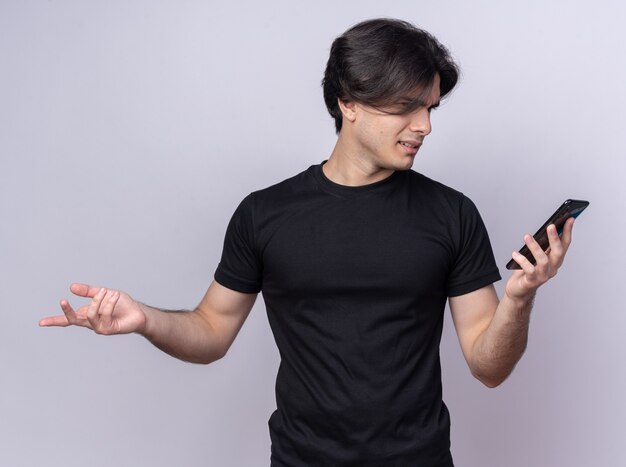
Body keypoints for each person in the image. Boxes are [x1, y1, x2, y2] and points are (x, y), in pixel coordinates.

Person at [40, 18, 575, 467]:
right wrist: (144, 319)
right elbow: (210, 331)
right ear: (349, 103)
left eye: (431, 107)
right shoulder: (265, 214)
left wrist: (521, 296)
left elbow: (488, 366)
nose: (425, 126)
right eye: (407, 107)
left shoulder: (451, 213)